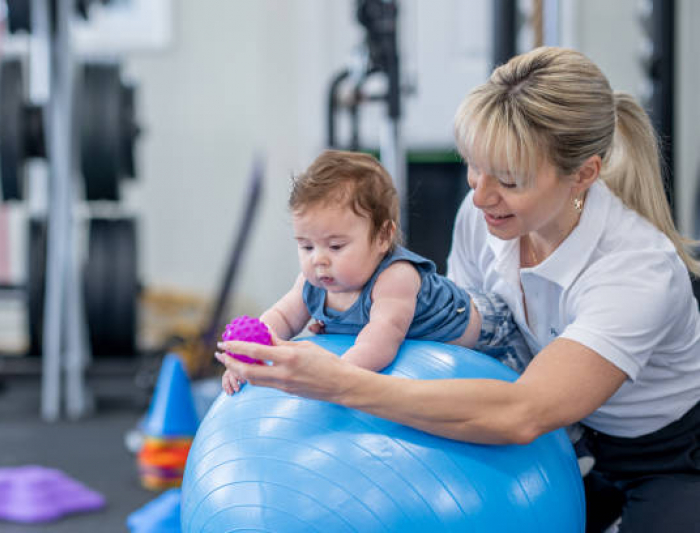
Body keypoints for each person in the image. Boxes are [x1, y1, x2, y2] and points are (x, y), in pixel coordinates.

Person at [217, 47, 700, 533]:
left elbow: (523, 412)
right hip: (562, 442)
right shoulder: (485, 217)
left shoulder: (637, 269)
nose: (480, 195)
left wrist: (338, 382)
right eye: (474, 165)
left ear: (584, 174)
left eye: (508, 179)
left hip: (666, 455)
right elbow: (459, 350)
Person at [222, 149, 482, 395]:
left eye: (335, 246)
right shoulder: (312, 283)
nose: (319, 259)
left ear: (382, 237)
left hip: (488, 334)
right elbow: (283, 317)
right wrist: (250, 358)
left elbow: (381, 340)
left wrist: (333, 375)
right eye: (306, 246)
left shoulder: (395, 278)